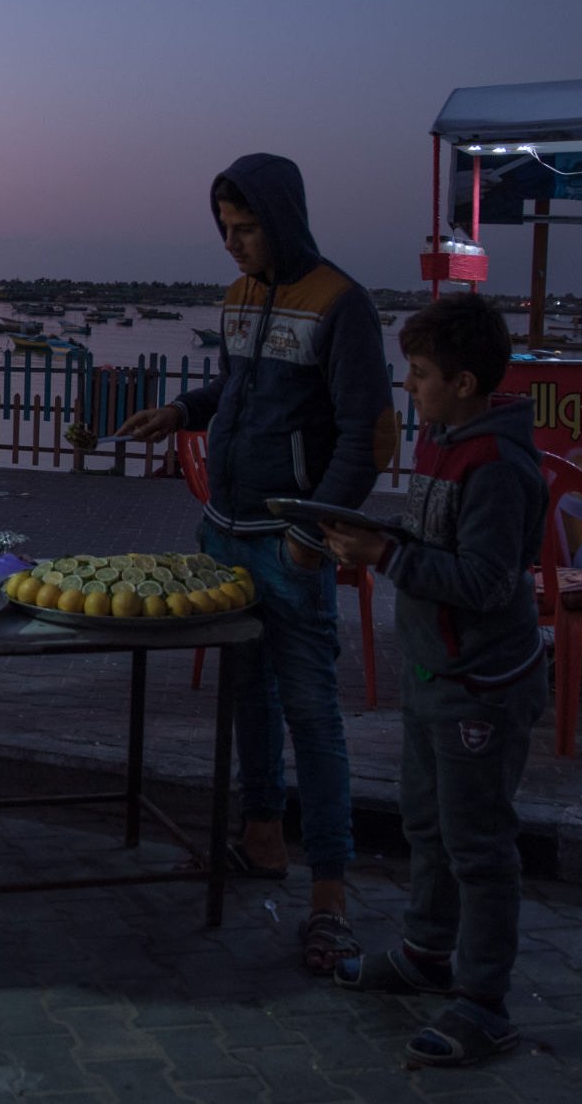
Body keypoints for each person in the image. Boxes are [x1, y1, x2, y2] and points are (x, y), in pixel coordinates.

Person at [120, 152, 395, 973]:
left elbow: (366, 436)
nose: (233, 245)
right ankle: (261, 839)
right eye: (224, 230)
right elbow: (235, 389)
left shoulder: (343, 305)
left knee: (312, 713)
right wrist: (181, 409)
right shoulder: (241, 296)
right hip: (223, 533)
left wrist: (311, 530)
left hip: (287, 542)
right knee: (248, 699)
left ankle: (330, 896)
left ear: (283, 219)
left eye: (245, 229)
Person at [322, 294, 547, 1066]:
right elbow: (435, 544)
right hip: (433, 673)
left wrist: (386, 556)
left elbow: (486, 580)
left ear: (465, 381)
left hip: (481, 681)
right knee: (427, 822)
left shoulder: (496, 463)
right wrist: (382, 540)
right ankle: (427, 951)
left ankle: (484, 1000)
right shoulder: (443, 441)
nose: (409, 388)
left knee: (478, 844)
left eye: (420, 375)